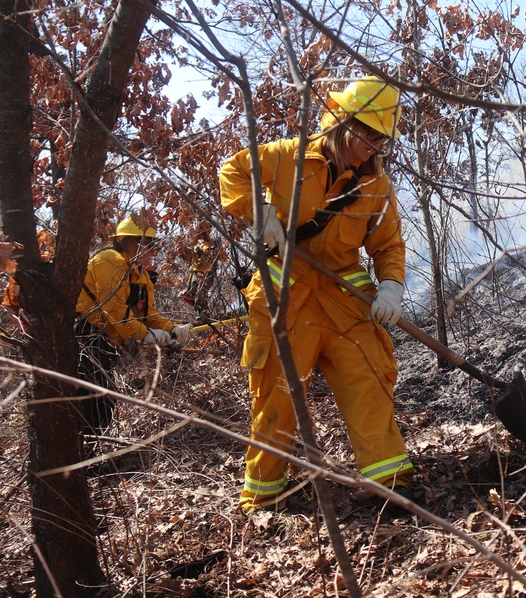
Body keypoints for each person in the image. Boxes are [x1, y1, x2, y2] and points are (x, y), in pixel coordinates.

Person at [218, 76, 414, 516]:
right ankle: (265, 496)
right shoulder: (288, 157)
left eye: (381, 138)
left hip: (346, 300)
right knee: (278, 399)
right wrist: (261, 211)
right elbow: (231, 171)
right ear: (343, 121)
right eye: (367, 133)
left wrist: (391, 286)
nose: (373, 145)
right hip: (288, 301)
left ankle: (390, 484)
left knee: (369, 382)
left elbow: (387, 245)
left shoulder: (377, 186)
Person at [75, 217, 195, 433]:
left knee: (101, 399)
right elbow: (113, 310)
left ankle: (91, 448)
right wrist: (147, 335)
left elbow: (150, 315)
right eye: (151, 245)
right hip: (84, 336)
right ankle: (87, 451)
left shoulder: (140, 275)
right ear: (135, 244)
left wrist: (173, 329)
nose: (154, 251)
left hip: (105, 342)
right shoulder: (109, 261)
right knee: (97, 401)